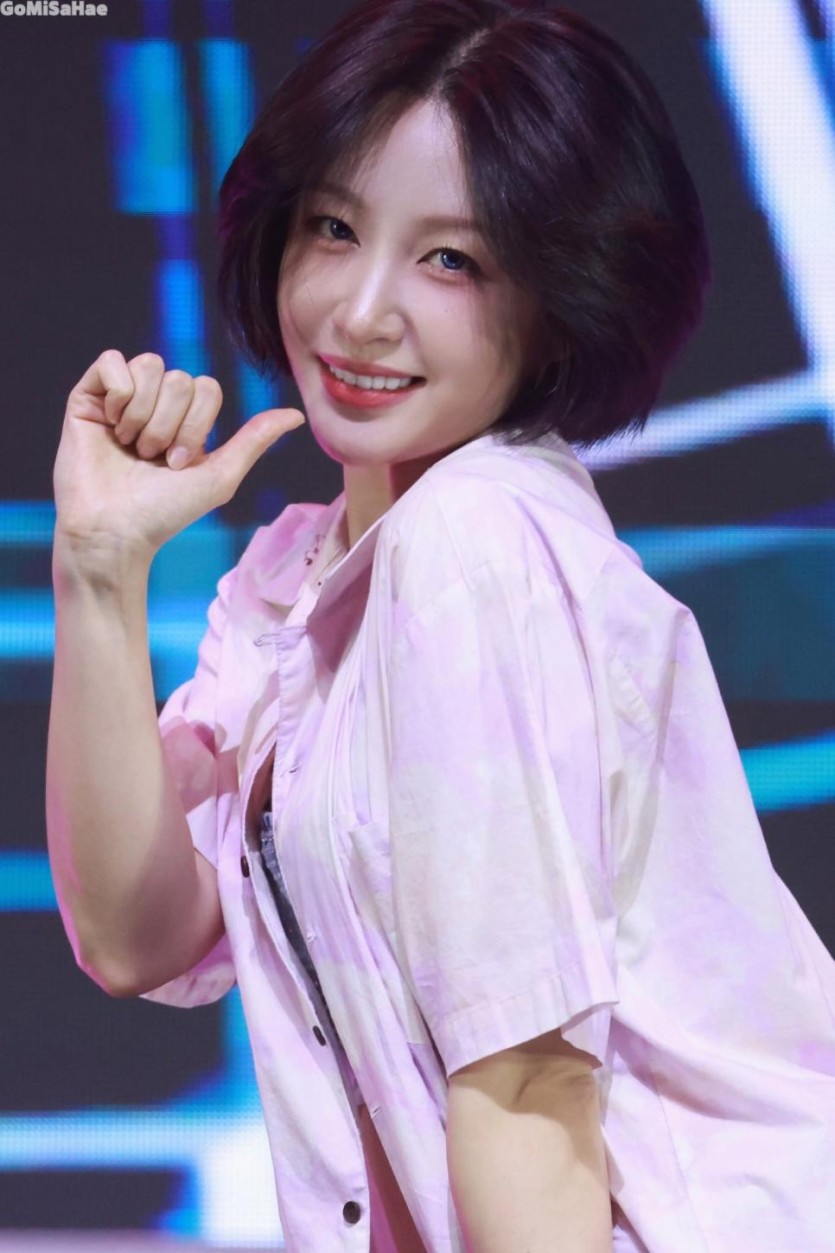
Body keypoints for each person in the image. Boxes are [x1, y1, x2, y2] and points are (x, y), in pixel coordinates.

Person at [46, 0, 835, 1249]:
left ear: (560, 292)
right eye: (333, 228)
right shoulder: (297, 574)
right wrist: (98, 568)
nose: (360, 313)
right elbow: (134, 934)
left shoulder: (475, 544)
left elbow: (529, 1086)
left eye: (451, 260)